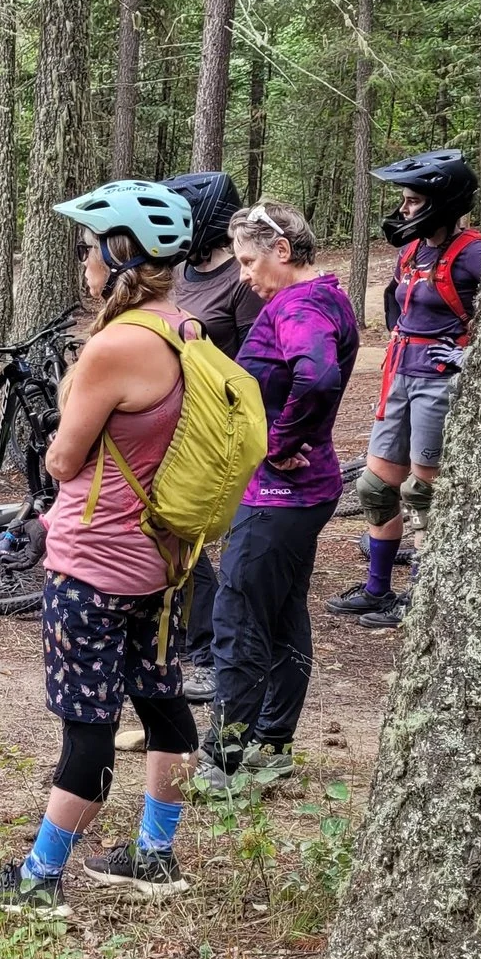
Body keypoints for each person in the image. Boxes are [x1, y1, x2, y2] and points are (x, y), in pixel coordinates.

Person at [0, 180, 202, 910]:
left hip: (94, 564)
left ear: (118, 252)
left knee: (88, 727)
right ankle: (155, 855)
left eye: (90, 249)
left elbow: (64, 462)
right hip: (162, 562)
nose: (85, 263)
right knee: (163, 705)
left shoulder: (115, 346)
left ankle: (40, 880)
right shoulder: (188, 331)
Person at [195, 202, 360, 790]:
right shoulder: (328, 296)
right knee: (283, 612)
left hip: (279, 493)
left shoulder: (301, 304)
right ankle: (272, 743)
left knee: (238, 614)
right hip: (298, 492)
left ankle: (226, 758)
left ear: (282, 252)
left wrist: (280, 440)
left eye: (247, 260)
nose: (242, 274)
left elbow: (315, 376)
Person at [327, 148, 481, 631]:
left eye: (413, 201)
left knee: (425, 493)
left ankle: (422, 596)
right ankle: (378, 588)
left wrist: (470, 356)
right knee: (376, 487)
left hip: (439, 383)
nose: (404, 210)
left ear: (441, 202)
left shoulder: (476, 254)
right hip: (399, 373)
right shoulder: (410, 251)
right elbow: (398, 306)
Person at [163, 170, 265, 701]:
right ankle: (179, 632)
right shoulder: (183, 270)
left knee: (194, 534)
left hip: (214, 424)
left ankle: (203, 648)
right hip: (169, 417)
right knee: (171, 531)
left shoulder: (238, 282)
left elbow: (254, 365)